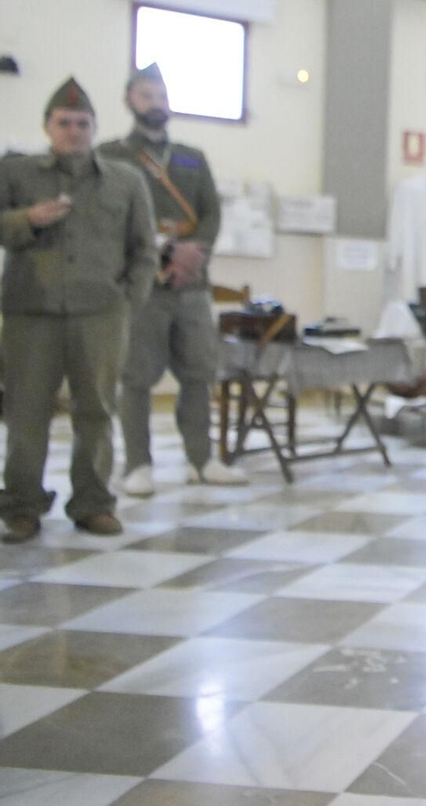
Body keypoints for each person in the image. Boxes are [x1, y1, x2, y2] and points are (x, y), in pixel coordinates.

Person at [0, 78, 158, 543]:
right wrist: (26, 219)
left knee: (96, 409)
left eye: (82, 123)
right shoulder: (17, 174)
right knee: (26, 411)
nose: (73, 131)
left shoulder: (126, 181)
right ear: (47, 127)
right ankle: (21, 506)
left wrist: (127, 303)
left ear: (95, 128)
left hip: (101, 314)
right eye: (64, 122)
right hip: (32, 311)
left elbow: (144, 250)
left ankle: (92, 503)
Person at [99, 63, 246, 494]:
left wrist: (193, 256)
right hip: (144, 281)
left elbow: (211, 213)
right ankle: (138, 465)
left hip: (192, 283)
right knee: (137, 377)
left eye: (162, 96)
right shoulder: (112, 155)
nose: (156, 103)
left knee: (200, 371)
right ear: (130, 101)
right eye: (147, 95)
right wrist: (165, 252)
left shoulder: (190, 157)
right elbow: (114, 218)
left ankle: (202, 459)